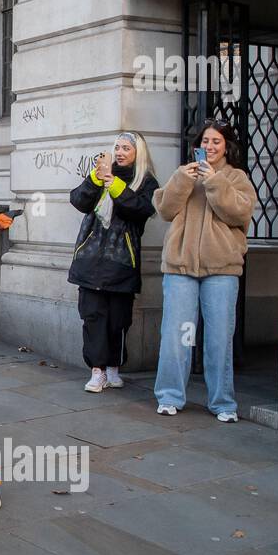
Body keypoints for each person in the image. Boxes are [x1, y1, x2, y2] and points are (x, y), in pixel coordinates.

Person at [152, 119, 257, 421]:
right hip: (180, 266)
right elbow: (165, 210)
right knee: (175, 334)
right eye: (205, 142)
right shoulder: (183, 174)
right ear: (197, 146)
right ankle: (169, 396)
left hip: (222, 268)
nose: (209, 147)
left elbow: (239, 213)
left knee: (219, 337)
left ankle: (222, 403)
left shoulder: (236, 177)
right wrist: (182, 181)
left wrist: (214, 182)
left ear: (226, 147)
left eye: (216, 142)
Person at [67, 132, 159, 392]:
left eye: (126, 148)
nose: (120, 152)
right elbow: (78, 200)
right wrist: (96, 178)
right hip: (90, 259)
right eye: (117, 147)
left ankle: (113, 368)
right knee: (93, 316)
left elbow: (141, 210)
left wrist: (115, 185)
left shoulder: (146, 182)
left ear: (137, 153)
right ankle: (96, 371)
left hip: (121, 262)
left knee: (118, 319)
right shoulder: (100, 173)